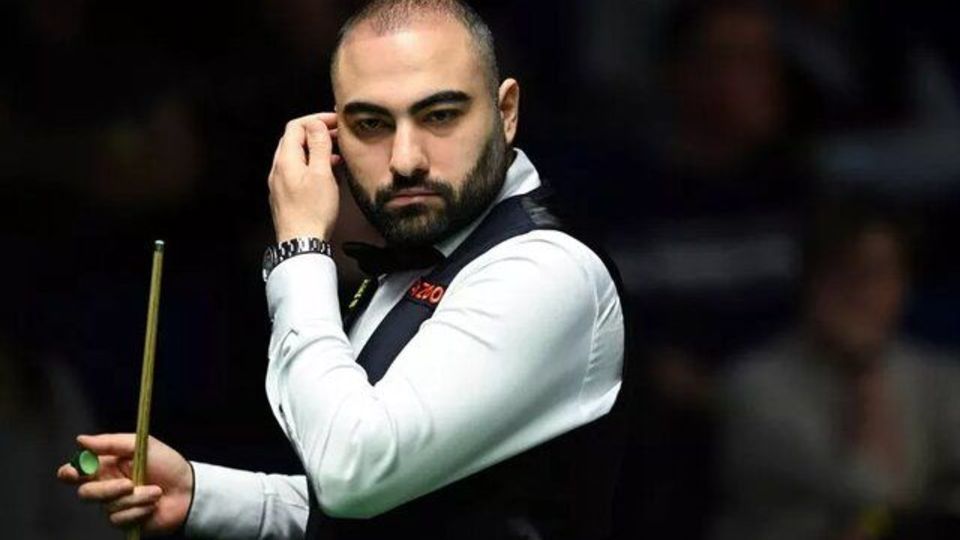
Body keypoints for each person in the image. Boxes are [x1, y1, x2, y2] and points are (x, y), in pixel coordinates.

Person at [57, 1, 628, 539]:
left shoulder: (545, 271)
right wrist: (202, 494)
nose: (405, 160)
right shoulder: (423, 257)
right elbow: (394, 508)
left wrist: (301, 248)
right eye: (372, 125)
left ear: (506, 113)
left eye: (440, 115)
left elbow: (350, 474)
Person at [712, 200, 960, 540]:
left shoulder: (940, 376)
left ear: (904, 286)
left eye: (878, 273)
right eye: (844, 274)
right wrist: (863, 371)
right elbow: (871, 496)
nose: (862, 292)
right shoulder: (755, 387)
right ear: (810, 282)